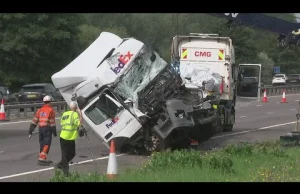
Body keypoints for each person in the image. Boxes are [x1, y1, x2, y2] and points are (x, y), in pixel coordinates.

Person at [55, 101, 83, 176]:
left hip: (64, 136)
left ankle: (60, 165)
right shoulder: (74, 114)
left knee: (71, 154)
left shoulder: (65, 113)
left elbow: (62, 123)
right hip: (68, 137)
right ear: (76, 107)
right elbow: (79, 123)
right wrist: (80, 113)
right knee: (66, 155)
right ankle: (66, 172)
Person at [28, 95, 57, 166]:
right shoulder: (51, 110)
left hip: (40, 129)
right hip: (47, 128)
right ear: (50, 102)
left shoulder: (39, 110)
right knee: (47, 144)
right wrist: (54, 132)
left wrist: (30, 131)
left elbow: (34, 121)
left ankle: (42, 158)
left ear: (44, 102)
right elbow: (52, 123)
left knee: (42, 143)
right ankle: (42, 159)